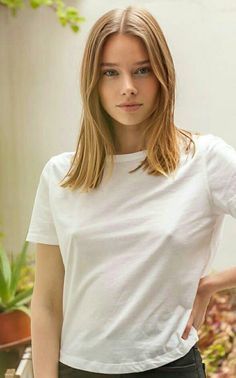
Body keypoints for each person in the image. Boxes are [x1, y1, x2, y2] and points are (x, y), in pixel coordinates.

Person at [25, 5, 236, 378]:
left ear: (162, 75)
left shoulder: (203, 161)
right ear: (93, 81)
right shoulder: (60, 175)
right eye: (110, 73)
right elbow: (45, 303)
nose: (128, 87)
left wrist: (212, 285)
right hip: (77, 369)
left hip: (170, 368)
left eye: (142, 70)